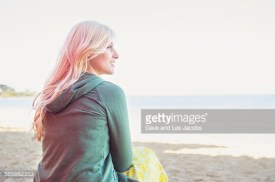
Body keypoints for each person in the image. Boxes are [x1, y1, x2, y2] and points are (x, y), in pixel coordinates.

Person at [32, 20, 168, 182]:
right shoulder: (108, 92)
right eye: (109, 46)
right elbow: (123, 163)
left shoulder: (51, 95)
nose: (116, 54)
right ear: (88, 51)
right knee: (146, 156)